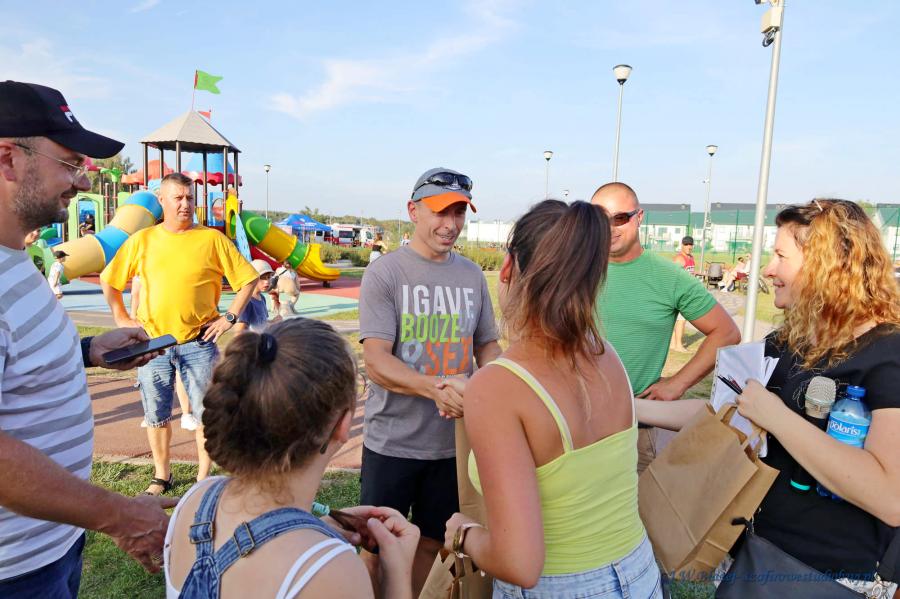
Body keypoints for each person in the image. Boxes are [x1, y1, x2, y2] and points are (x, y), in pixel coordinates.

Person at [641, 200, 900, 596]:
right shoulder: (789, 341)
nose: (767, 270)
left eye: (781, 256)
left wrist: (777, 417)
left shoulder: (887, 354)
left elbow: (889, 496)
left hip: (824, 576)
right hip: (754, 554)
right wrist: (632, 409)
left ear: (825, 265)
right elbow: (723, 410)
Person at [0, 80, 176, 597]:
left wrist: (87, 352)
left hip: (47, 544)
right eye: (69, 163)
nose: (79, 181)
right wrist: (120, 515)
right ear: (8, 159)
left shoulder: (15, 258)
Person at [444, 200, 662, 597]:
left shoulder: (498, 387)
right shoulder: (607, 355)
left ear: (508, 268)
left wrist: (463, 533)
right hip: (639, 573)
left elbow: (519, 564)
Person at [164, 318, 420, 598]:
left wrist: (312, 530)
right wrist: (398, 573)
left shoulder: (196, 499)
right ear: (343, 425)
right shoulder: (330, 571)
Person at [359, 167, 502, 595]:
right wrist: (437, 389)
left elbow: (487, 347)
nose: (451, 224)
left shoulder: (472, 276)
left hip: (451, 445)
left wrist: (490, 386)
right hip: (392, 442)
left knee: (436, 542)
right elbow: (376, 361)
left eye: (459, 212)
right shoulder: (386, 273)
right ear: (413, 211)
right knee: (375, 545)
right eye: (441, 211)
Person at [101, 172, 259, 495]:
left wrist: (229, 318)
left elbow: (248, 279)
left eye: (189, 198)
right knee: (156, 414)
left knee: (205, 414)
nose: (185, 204)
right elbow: (109, 279)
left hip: (199, 342)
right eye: (178, 198)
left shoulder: (212, 240)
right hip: (152, 344)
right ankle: (162, 475)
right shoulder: (143, 240)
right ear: (162, 201)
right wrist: (121, 317)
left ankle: (202, 478)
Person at [591, 182, 740, 473]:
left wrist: (677, 383)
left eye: (619, 218)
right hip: (569, 421)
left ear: (639, 217)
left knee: (636, 502)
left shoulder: (669, 277)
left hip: (634, 428)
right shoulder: (574, 269)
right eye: (599, 218)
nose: (609, 228)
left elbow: (726, 332)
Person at [130, 274, 199, 431]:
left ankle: (186, 414)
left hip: (181, 331)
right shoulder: (142, 269)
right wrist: (132, 318)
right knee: (151, 377)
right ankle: (151, 416)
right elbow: (136, 294)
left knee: (182, 373)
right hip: (152, 333)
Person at [234, 259, 281, 334]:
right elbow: (239, 332)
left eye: (269, 277)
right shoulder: (246, 301)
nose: (267, 281)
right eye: (262, 277)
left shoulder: (262, 298)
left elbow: (261, 323)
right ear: (251, 278)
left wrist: (273, 321)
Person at [670, 236, 695, 352]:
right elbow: (672, 276)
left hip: (687, 292)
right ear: (682, 245)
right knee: (681, 320)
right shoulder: (679, 259)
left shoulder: (691, 258)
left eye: (690, 244)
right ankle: (679, 345)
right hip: (680, 294)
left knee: (679, 319)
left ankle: (673, 344)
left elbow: (691, 274)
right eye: (686, 244)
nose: (689, 247)